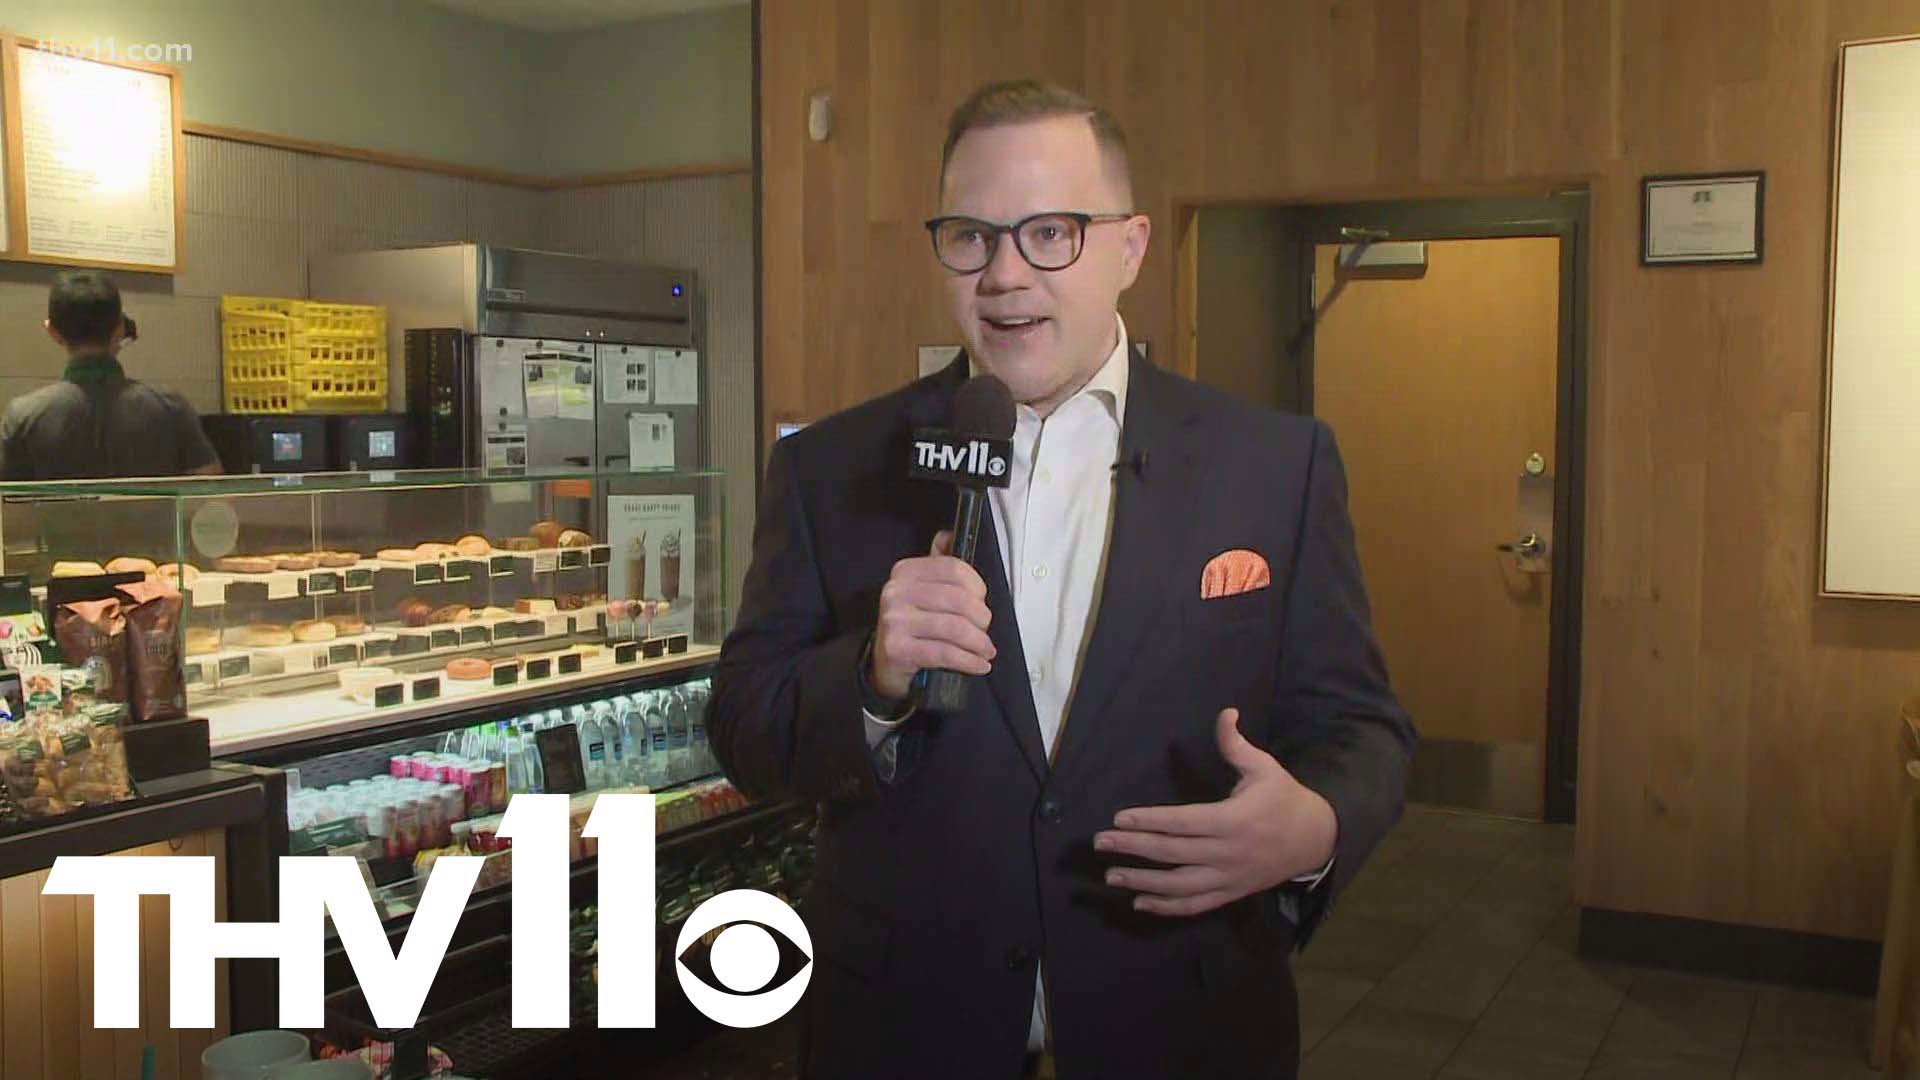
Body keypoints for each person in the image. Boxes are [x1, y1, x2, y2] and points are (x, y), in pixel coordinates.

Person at [711, 80, 1415, 1080]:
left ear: (1129, 249)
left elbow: (1364, 728)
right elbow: (745, 724)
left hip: (1188, 1027)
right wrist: (868, 678)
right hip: (905, 1035)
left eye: (1050, 232)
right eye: (971, 235)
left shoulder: (1275, 465)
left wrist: (1317, 825)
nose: (1004, 275)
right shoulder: (830, 470)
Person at [1, 270, 221, 480]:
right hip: (150, 521)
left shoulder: (23, 416)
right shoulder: (171, 407)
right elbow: (211, 491)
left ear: (53, 332)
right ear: (120, 327)